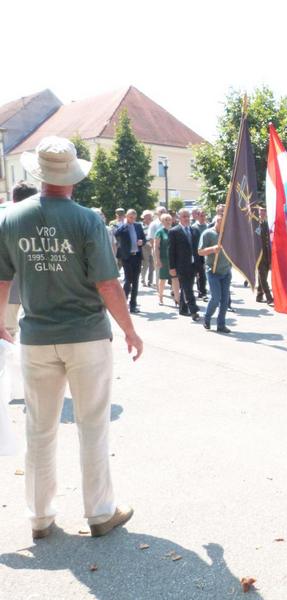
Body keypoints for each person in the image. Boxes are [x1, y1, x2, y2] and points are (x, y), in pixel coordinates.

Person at [0, 136, 143, 539]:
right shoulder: (87, 219)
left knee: (39, 428)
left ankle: (40, 517)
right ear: (73, 177)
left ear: (39, 174)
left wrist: (1, 323)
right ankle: (99, 512)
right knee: (92, 426)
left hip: (37, 335)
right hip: (86, 335)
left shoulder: (11, 218)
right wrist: (129, 330)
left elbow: (2, 280)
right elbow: (107, 283)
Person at [4, 182, 39, 340]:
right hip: (38, 290)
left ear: (13, 198)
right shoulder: (45, 219)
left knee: (7, 334)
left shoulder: (5, 219)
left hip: (8, 289)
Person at [198, 215, 232, 334]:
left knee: (225, 300)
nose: (224, 224)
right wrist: (212, 249)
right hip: (213, 270)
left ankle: (221, 324)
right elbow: (200, 251)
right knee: (216, 298)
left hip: (226, 271)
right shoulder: (208, 233)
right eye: (222, 222)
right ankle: (207, 318)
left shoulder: (227, 234)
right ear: (217, 221)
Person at [168, 208, 201, 322]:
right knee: (188, 288)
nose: (187, 218)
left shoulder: (195, 230)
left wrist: (200, 265)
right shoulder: (174, 231)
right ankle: (194, 310)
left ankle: (182, 308)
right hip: (181, 265)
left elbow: (198, 249)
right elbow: (171, 251)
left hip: (193, 264)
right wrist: (172, 267)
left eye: (188, 216)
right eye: (184, 216)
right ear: (179, 218)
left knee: (188, 286)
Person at [114, 209, 146, 314]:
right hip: (126, 257)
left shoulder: (138, 226)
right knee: (128, 280)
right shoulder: (122, 226)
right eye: (130, 217)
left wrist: (142, 242)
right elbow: (116, 234)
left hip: (137, 256)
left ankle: (133, 305)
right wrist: (124, 224)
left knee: (135, 281)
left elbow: (144, 239)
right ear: (126, 217)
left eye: (134, 218)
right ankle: (123, 303)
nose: (132, 219)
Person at [154, 213, 179, 306]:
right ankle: (160, 297)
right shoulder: (160, 232)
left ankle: (177, 299)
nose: (168, 221)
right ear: (162, 221)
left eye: (169, 219)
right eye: (166, 220)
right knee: (162, 279)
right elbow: (156, 247)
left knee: (175, 278)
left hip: (174, 259)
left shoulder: (174, 231)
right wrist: (157, 259)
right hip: (164, 259)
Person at [256, 206, 273, 304]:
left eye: (264, 211)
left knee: (263, 275)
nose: (262, 213)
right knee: (262, 275)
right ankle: (268, 296)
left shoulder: (267, 224)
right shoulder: (256, 224)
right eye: (261, 211)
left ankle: (259, 295)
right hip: (259, 254)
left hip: (267, 253)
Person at [193, 209, 209, 300]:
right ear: (197, 216)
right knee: (198, 273)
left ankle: (202, 292)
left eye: (204, 215)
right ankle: (199, 291)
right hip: (196, 253)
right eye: (201, 215)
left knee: (203, 274)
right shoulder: (194, 227)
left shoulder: (208, 226)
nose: (203, 217)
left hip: (206, 252)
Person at [140, 210, 155, 288]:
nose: (149, 218)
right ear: (144, 217)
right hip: (144, 246)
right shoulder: (140, 225)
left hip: (153, 245)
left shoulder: (153, 225)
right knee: (145, 263)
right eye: (147, 217)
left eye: (150, 217)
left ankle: (150, 281)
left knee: (152, 264)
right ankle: (143, 280)